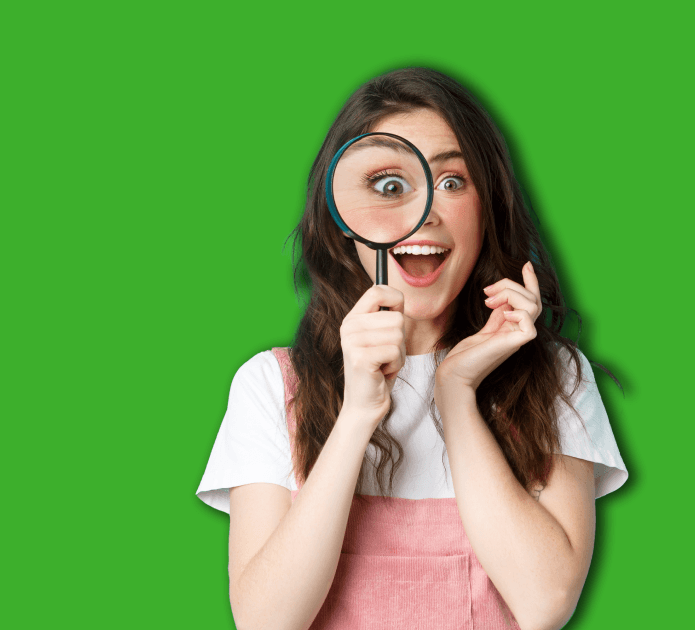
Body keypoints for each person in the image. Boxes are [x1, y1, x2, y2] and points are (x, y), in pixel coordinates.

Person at [196, 67, 629, 630]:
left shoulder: (555, 377)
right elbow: (265, 622)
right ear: (342, 219)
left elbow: (544, 603)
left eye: (452, 182)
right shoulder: (271, 386)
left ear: (486, 209)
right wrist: (356, 414)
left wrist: (456, 389)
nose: (423, 211)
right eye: (388, 185)